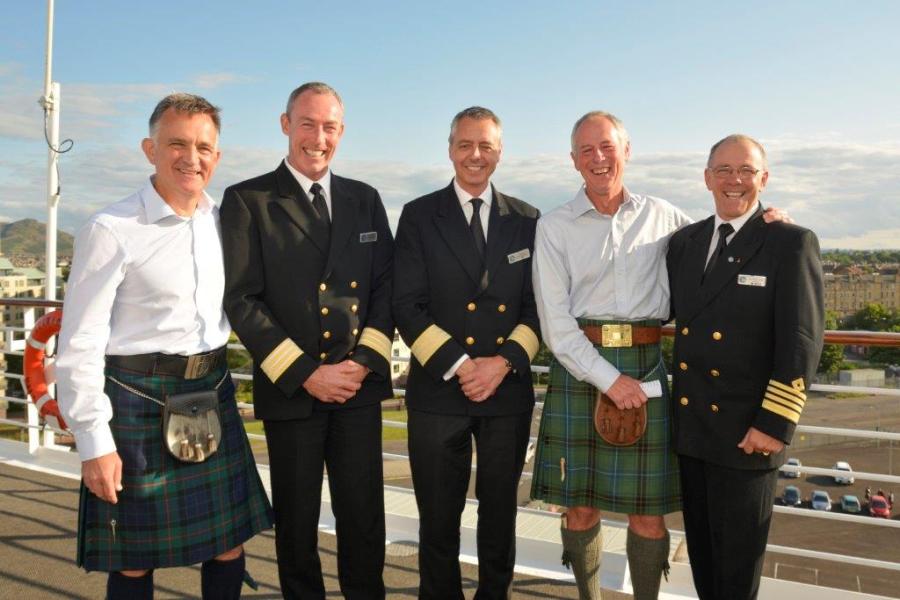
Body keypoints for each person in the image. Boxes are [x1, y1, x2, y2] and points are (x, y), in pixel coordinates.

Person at [530, 113, 789, 599]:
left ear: (627, 151)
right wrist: (609, 380)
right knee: (579, 509)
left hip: (647, 365)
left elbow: (725, 242)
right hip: (580, 367)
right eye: (586, 150)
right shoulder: (554, 226)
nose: (598, 158)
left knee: (647, 513)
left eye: (607, 146)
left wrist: (767, 222)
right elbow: (556, 326)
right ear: (573, 161)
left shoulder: (667, 218)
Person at [56, 93, 273, 600]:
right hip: (137, 400)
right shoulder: (112, 230)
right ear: (149, 148)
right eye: (177, 143)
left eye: (203, 146)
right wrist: (95, 443)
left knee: (228, 545)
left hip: (213, 390)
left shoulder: (227, 222)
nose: (190, 157)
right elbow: (80, 342)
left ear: (216, 157)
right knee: (133, 560)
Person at [220, 82, 394, 599]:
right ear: (285, 124)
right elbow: (241, 299)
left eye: (330, 127)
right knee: (296, 528)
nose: (318, 138)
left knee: (364, 522)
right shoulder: (248, 200)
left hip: (357, 389)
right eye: (308, 124)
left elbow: (386, 289)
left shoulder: (365, 199)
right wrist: (307, 374)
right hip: (294, 390)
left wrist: (362, 363)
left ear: (341, 131)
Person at [666, 134, 824, 600]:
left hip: (748, 437)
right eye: (723, 171)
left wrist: (775, 423)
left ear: (764, 179)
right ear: (707, 178)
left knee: (736, 575)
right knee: (705, 566)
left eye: (746, 171)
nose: (734, 181)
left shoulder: (789, 243)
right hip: (694, 432)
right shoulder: (685, 243)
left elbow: (802, 341)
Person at [392, 106, 541, 599]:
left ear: (500, 152)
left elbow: (538, 308)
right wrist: (462, 365)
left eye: (486, 146)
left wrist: (500, 365)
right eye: (465, 145)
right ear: (450, 148)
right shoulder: (418, 215)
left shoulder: (528, 219)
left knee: (500, 516)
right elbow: (405, 305)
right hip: (439, 391)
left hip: (506, 391)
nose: (476, 156)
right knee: (438, 517)